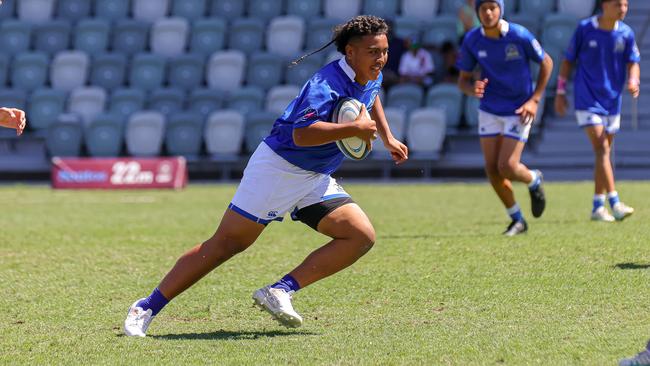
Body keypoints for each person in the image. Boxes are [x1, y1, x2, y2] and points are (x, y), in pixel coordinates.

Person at [124, 15, 409, 337]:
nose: (381, 58)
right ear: (350, 52)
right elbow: (303, 134)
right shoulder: (325, 84)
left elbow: (372, 96)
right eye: (373, 52)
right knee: (226, 245)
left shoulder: (370, 72)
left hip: (314, 176)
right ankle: (147, 306)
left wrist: (386, 137)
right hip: (279, 168)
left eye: (384, 51)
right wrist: (353, 128)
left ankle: (280, 291)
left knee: (359, 236)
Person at [456, 0, 553, 236]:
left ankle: (533, 179)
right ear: (477, 12)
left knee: (507, 166)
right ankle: (517, 219)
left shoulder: (519, 35)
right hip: (489, 109)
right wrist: (472, 89)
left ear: (501, 9)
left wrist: (535, 100)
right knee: (492, 170)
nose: (488, 13)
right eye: (483, 9)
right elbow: (463, 81)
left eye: (493, 7)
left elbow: (547, 62)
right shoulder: (472, 39)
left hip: (519, 109)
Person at [554, 0, 639, 222]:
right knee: (602, 149)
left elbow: (633, 62)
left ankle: (597, 206)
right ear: (604, 5)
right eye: (618, 4)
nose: (623, 9)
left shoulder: (626, 33)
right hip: (587, 99)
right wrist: (561, 92)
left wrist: (633, 80)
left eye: (626, 5)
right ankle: (615, 202)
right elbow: (567, 61)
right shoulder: (585, 29)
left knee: (603, 153)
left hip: (612, 101)